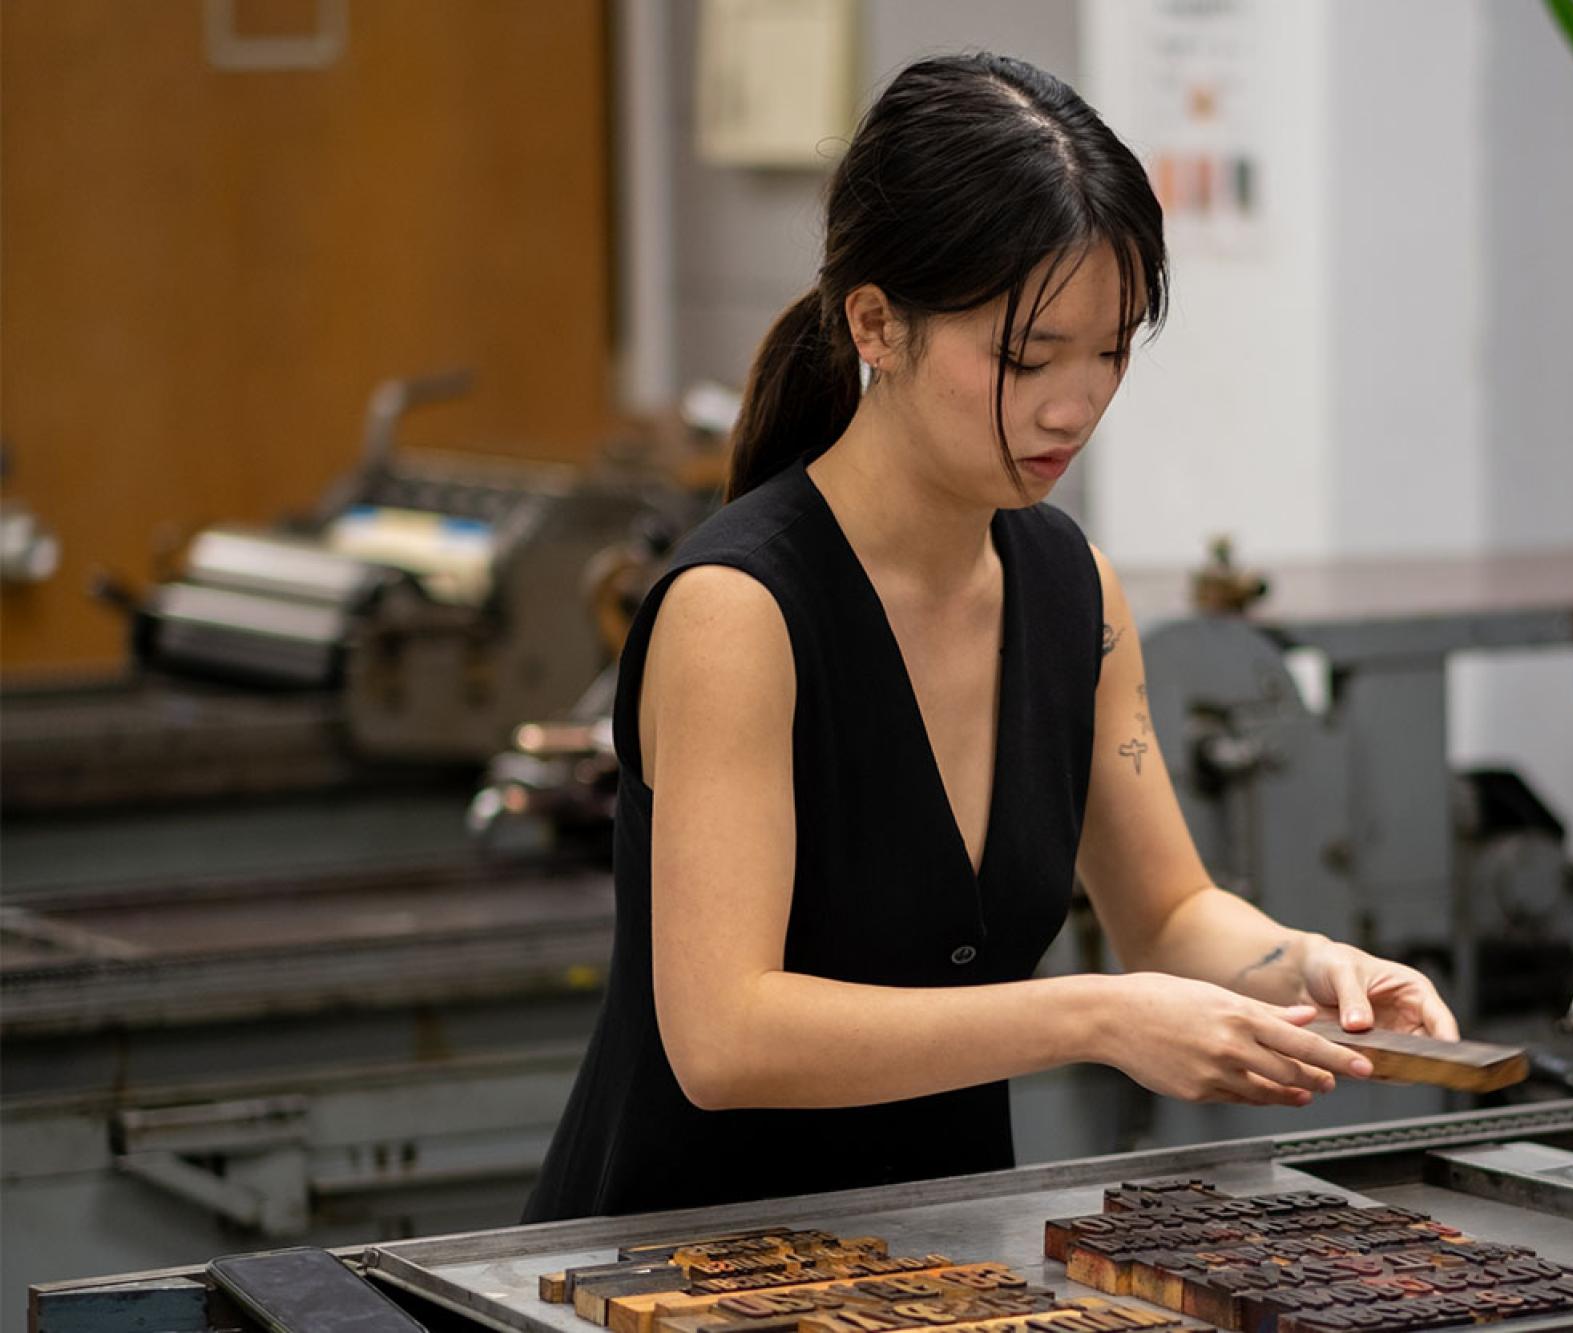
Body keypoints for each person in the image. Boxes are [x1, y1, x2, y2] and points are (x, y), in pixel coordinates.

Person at [522, 52, 1455, 1223]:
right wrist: (1098, 1015)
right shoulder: (740, 611)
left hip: (940, 1256)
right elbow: (725, 1032)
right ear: (876, 323)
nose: (1073, 406)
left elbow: (1164, 911)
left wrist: (1308, 963)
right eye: (1024, 358)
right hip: (671, 1265)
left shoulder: (1074, 592)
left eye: (1109, 350)